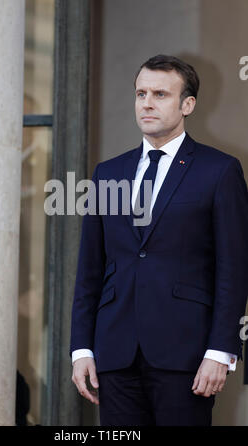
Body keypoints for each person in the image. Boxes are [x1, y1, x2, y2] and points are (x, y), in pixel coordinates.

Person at [70, 54, 248, 426]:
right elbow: (90, 269)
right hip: (115, 357)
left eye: (160, 94)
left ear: (187, 105)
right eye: (141, 93)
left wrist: (221, 351)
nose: (147, 103)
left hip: (186, 357)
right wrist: (81, 349)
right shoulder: (107, 173)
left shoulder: (220, 171)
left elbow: (234, 269)